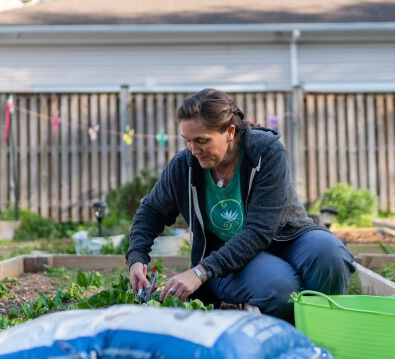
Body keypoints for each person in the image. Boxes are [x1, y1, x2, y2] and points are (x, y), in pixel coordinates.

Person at [126, 88, 355, 322]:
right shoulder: (184, 166)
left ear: (229, 132)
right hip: (226, 259)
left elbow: (259, 230)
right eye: (188, 141)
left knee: (329, 253)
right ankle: (289, 339)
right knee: (282, 290)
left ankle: (325, 328)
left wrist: (197, 272)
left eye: (202, 140)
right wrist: (137, 257)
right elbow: (151, 210)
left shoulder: (264, 152)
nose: (193, 150)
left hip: (287, 238)